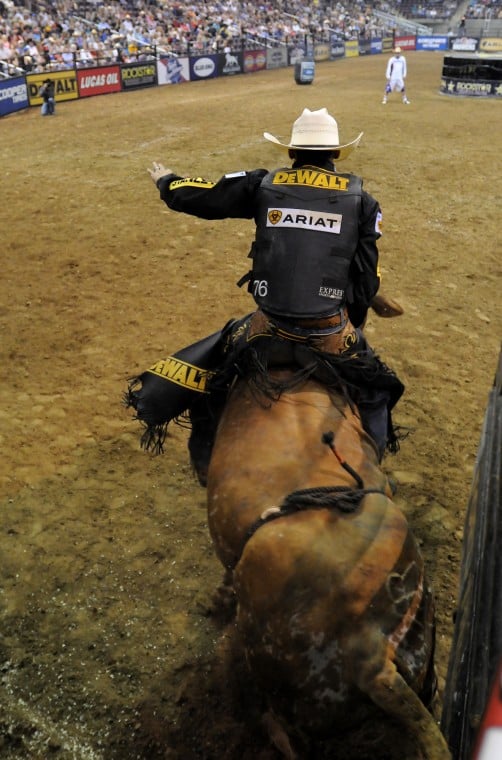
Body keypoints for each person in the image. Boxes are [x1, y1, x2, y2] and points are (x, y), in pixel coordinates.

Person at [128, 108, 404, 477]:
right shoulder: (364, 202)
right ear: (336, 154)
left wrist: (167, 181)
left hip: (267, 329)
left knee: (213, 380)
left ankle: (205, 462)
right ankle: (372, 467)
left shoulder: (263, 185)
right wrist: (357, 316)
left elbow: (205, 197)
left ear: (291, 153)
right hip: (329, 332)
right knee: (379, 390)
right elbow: (365, 278)